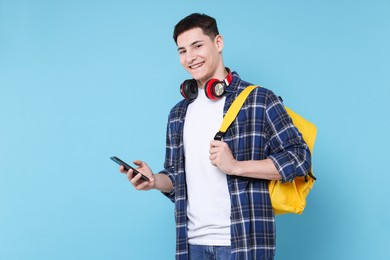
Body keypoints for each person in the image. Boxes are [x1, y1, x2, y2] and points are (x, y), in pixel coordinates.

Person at [119, 13, 311, 260]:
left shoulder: (259, 100)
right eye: (182, 51)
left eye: (197, 46)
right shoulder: (178, 113)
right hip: (191, 244)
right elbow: (177, 180)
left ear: (218, 43)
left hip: (243, 242)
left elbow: (299, 158)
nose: (190, 57)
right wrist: (155, 180)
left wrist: (236, 167)